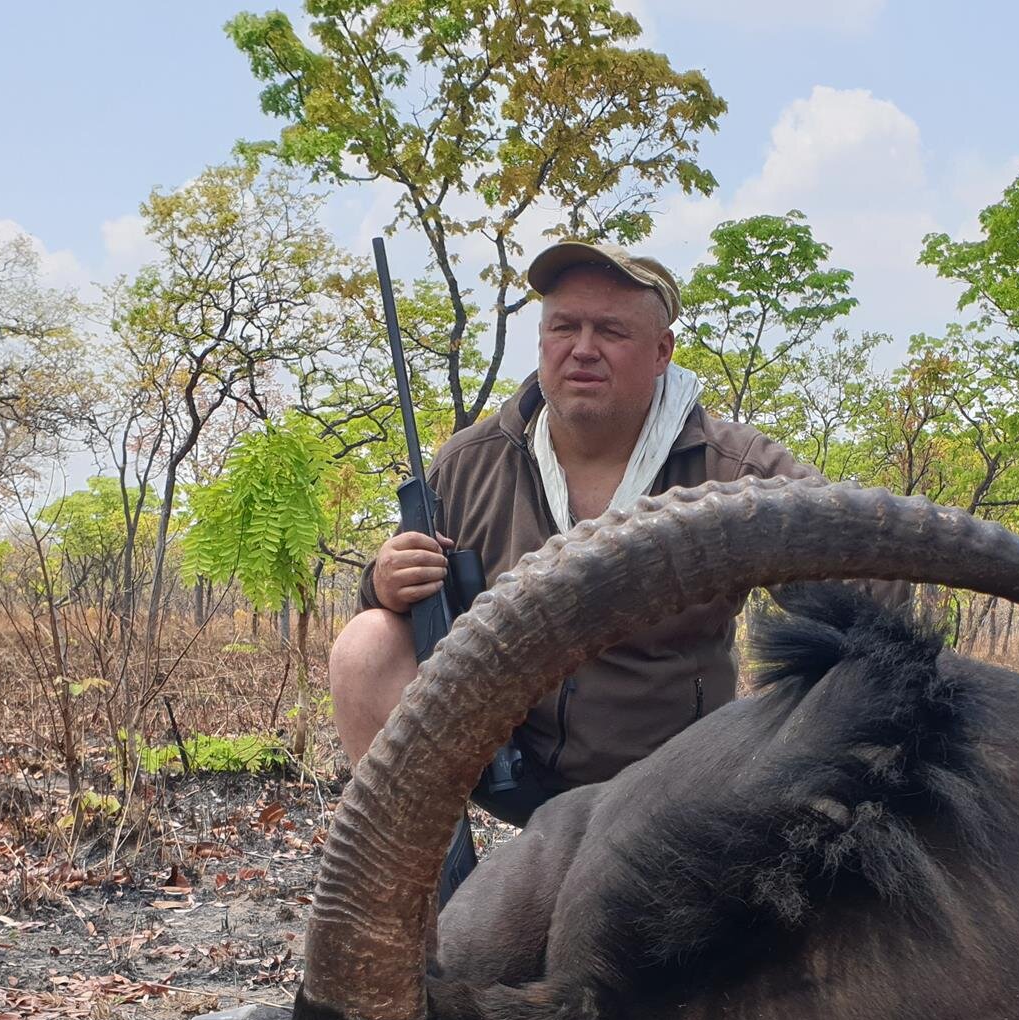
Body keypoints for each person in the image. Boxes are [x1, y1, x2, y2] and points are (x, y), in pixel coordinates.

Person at [329, 238, 815, 825]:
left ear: (662, 351)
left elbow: (867, 588)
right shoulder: (470, 461)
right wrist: (383, 582)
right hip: (507, 767)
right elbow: (400, 601)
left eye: (611, 331)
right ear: (542, 340)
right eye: (564, 327)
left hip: (672, 785)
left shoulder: (737, 470)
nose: (583, 350)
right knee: (367, 642)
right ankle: (417, 885)